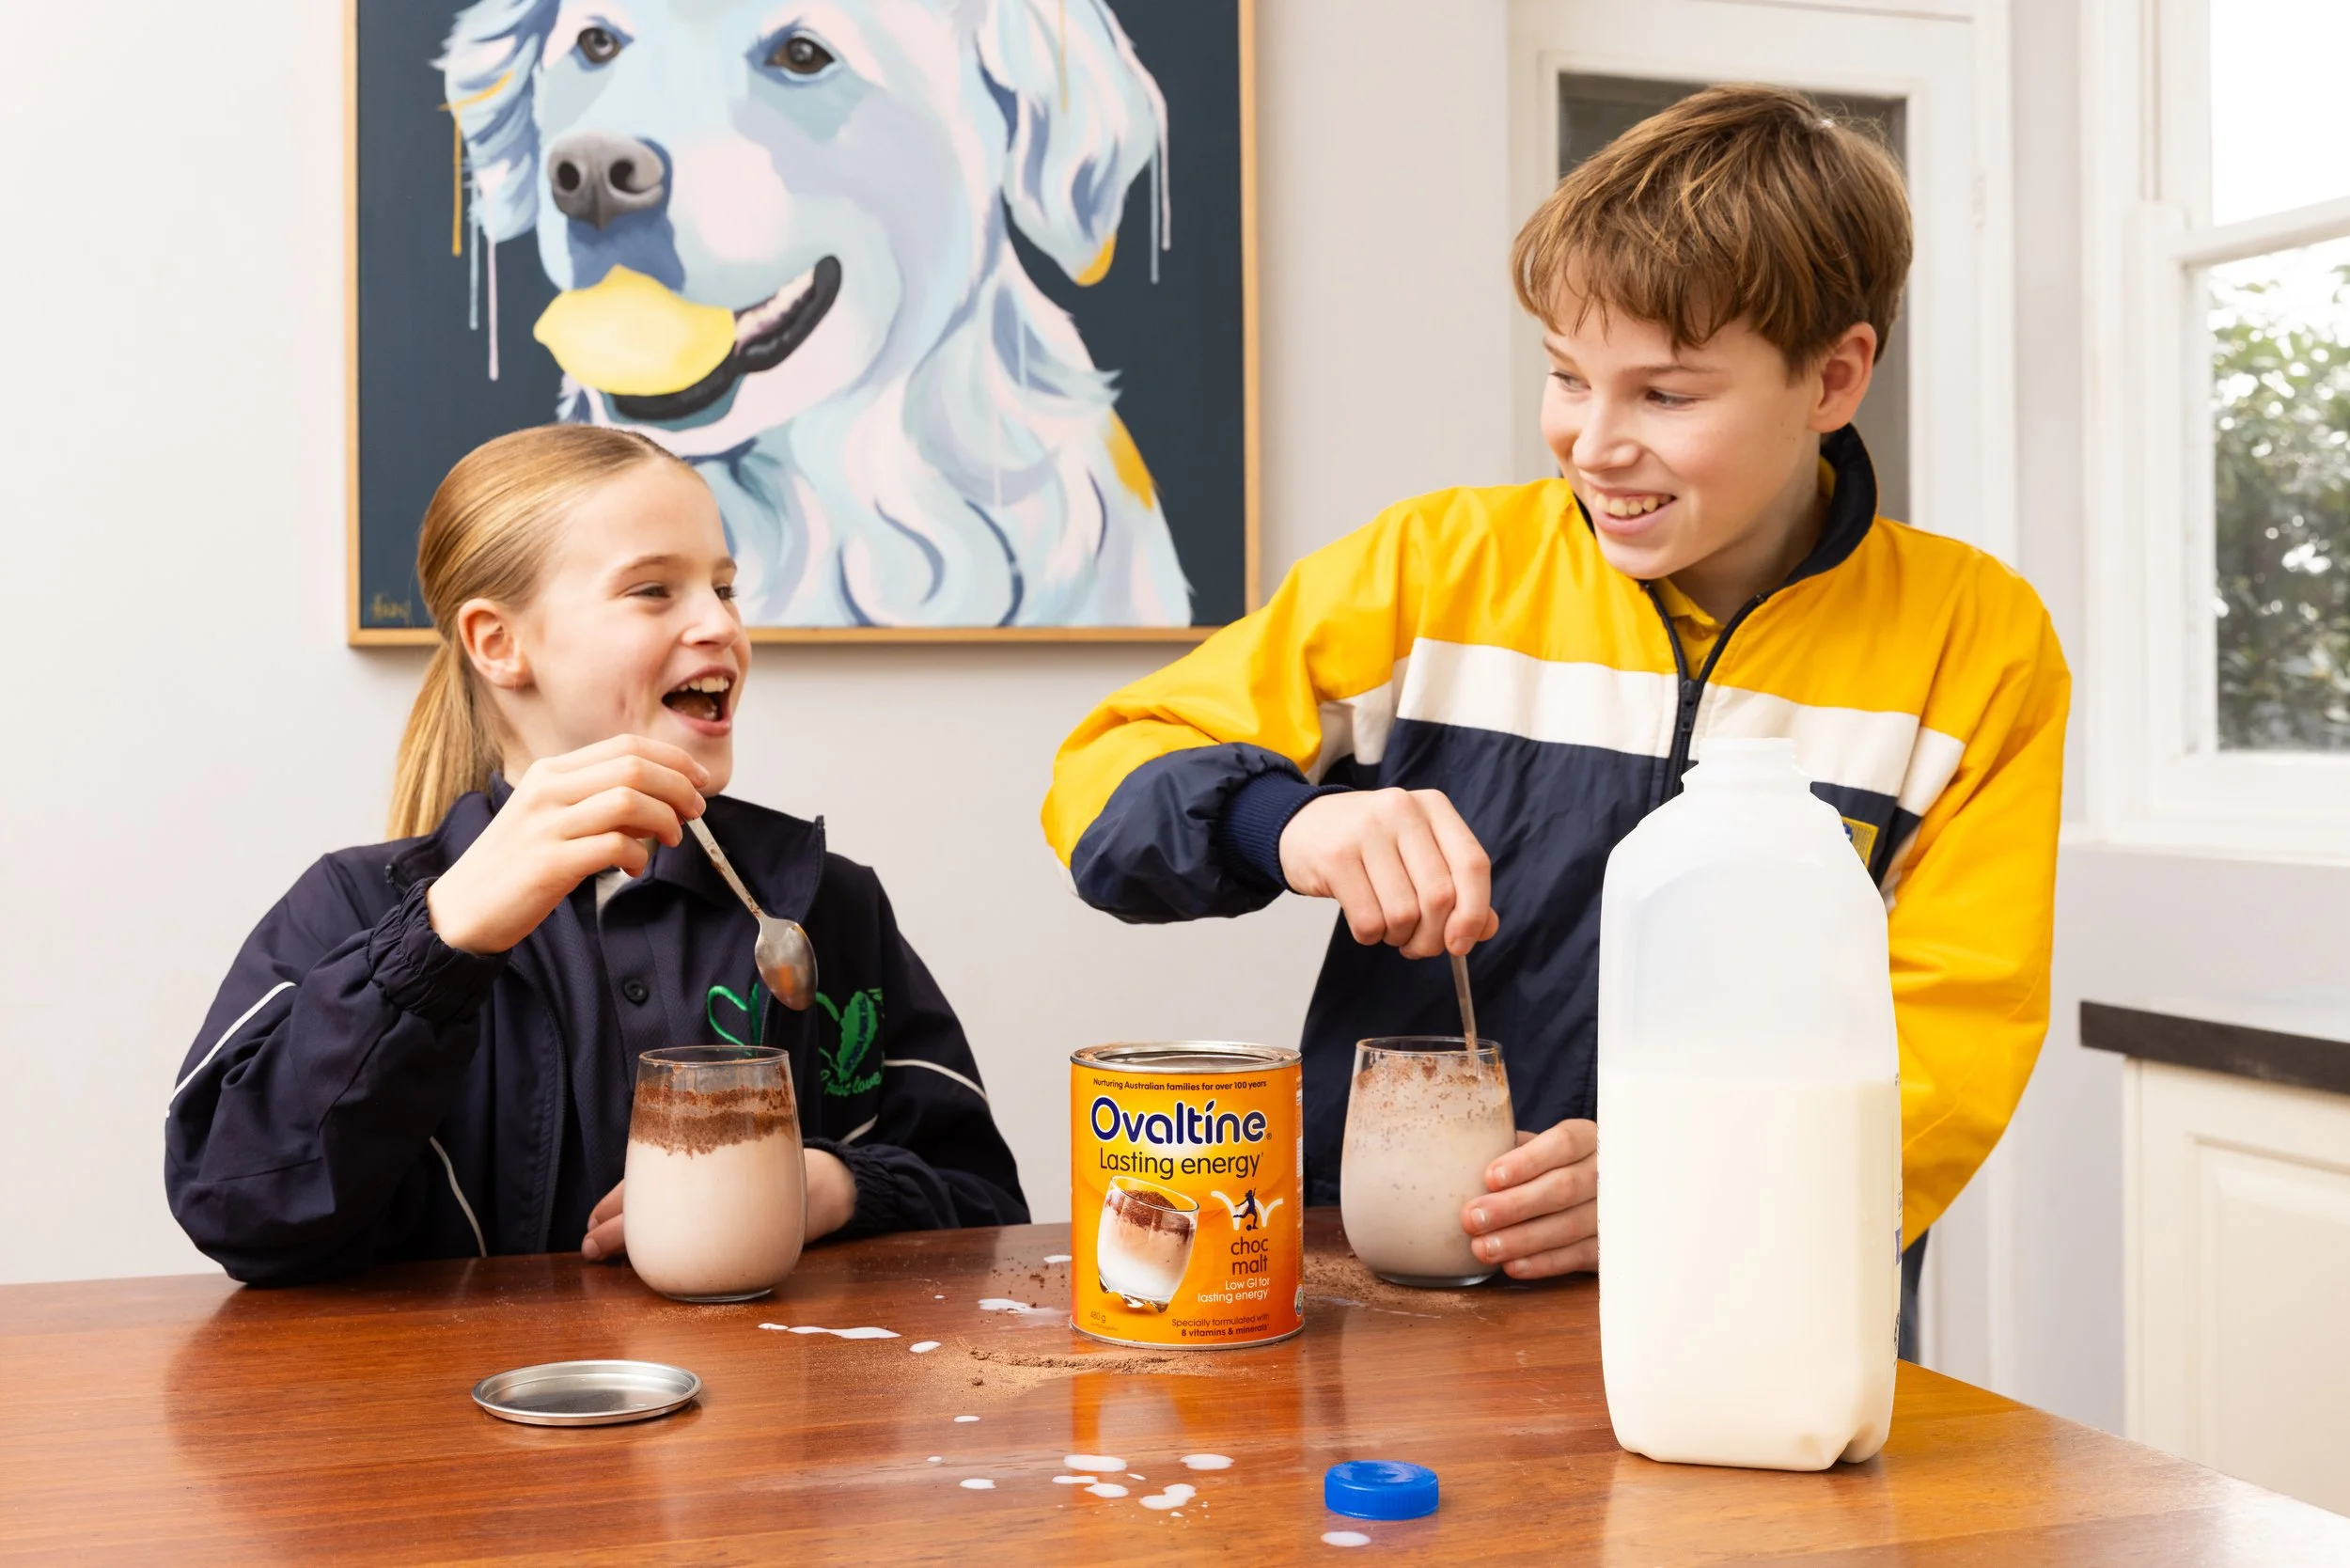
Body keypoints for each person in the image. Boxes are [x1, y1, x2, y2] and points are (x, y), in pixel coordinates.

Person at [1041, 86, 2066, 1351]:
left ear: (1834, 378)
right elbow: (1106, 777)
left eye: (1668, 396)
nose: (1593, 443)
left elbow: (1954, 1039)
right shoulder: (1431, 569)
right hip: (1383, 1305)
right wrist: (1284, 824)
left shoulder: (1975, 644)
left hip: (1761, 1305)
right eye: (1568, 378)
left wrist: (1692, 1176)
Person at [168, 426, 1025, 1284]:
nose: (718, 624)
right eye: (654, 590)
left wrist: (832, 1188)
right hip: (448, 1416)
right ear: (499, 643)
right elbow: (234, 1206)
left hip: (766, 1413)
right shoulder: (354, 907)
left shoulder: (821, 905)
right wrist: (437, 945)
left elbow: (986, 1209)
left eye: (725, 589)